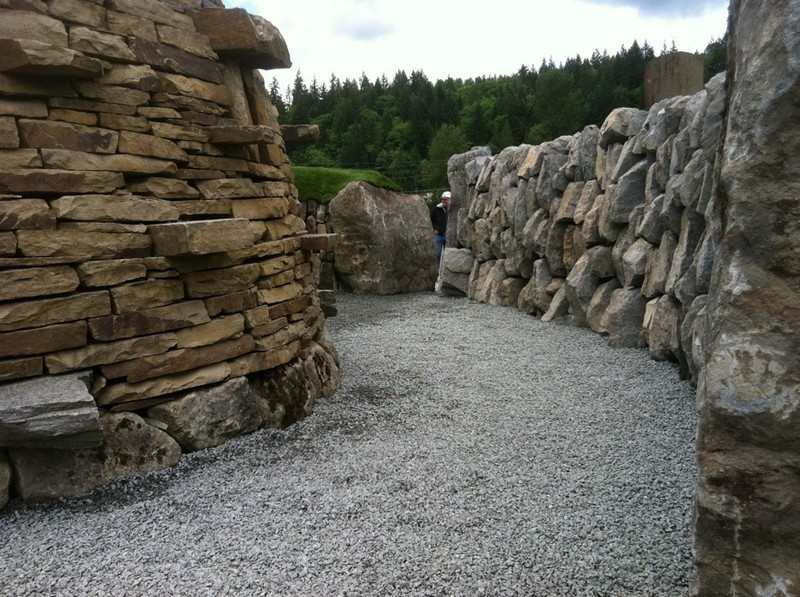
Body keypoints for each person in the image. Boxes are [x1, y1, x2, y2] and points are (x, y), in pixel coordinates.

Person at [431, 191, 450, 263]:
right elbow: (430, 219)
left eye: (446, 199)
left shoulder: (452, 209)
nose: (444, 201)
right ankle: (438, 269)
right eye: (443, 199)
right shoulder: (436, 209)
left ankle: (445, 270)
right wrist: (435, 228)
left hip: (449, 235)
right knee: (438, 253)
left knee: (448, 254)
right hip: (439, 235)